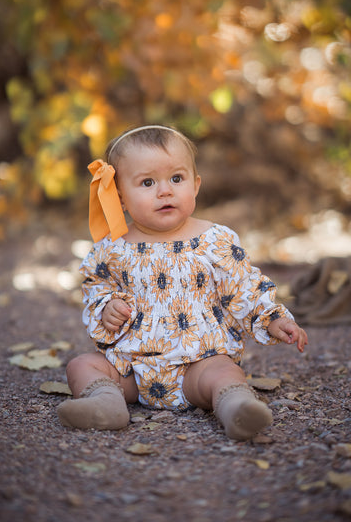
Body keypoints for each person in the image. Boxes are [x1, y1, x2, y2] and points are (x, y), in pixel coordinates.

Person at [57, 125, 308, 440]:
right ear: (119, 196)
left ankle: (236, 407)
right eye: (147, 182)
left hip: (198, 363)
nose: (165, 191)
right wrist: (107, 306)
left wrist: (272, 318)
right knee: (81, 365)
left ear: (196, 185)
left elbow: (244, 287)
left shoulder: (214, 240)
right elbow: (97, 287)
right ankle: (106, 403)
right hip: (131, 370)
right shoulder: (112, 248)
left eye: (176, 179)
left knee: (225, 371)